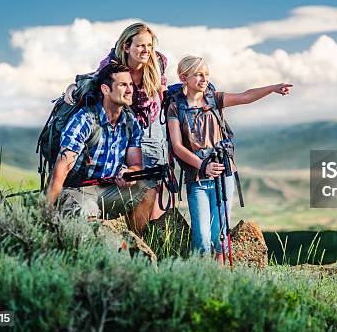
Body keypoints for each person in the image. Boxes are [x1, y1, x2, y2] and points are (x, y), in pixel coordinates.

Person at [167, 55, 292, 262]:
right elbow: (178, 147)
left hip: (224, 175)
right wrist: (203, 165)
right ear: (183, 77)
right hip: (196, 178)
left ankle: (220, 280)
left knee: (219, 235)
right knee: (202, 238)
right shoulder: (175, 107)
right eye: (198, 74)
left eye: (206, 74)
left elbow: (245, 96)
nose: (203, 78)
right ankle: (201, 280)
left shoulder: (214, 99)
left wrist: (272, 88)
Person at [65, 22, 169, 218]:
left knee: (155, 176)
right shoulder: (111, 64)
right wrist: (72, 88)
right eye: (140, 45)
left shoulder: (158, 62)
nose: (146, 50)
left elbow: (161, 92)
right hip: (122, 125)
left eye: (149, 45)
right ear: (126, 46)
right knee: (124, 175)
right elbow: (97, 82)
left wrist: (172, 127)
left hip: (148, 122)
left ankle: (150, 233)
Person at [47, 62, 158, 234]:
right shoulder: (84, 120)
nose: (130, 90)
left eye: (130, 85)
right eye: (123, 85)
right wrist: (45, 212)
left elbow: (136, 165)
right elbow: (60, 171)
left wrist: (130, 173)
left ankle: (135, 245)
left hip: (108, 189)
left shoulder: (131, 123)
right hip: (76, 190)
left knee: (148, 188)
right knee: (86, 211)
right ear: (106, 89)